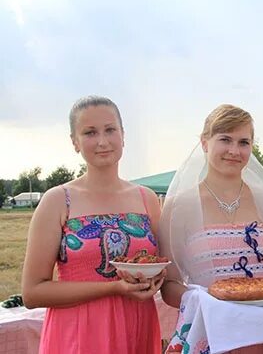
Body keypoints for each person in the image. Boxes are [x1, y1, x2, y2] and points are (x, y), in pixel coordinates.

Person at [159, 104, 263, 353]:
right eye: (225, 140)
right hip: (208, 334)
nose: (234, 150)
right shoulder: (179, 207)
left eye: (244, 142)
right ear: (205, 142)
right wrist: (205, 302)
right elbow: (169, 285)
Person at [21, 96, 164, 354]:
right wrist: (113, 287)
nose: (102, 141)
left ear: (123, 135)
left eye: (110, 130)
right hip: (78, 333)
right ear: (75, 142)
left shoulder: (147, 199)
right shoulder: (57, 200)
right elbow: (32, 292)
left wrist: (156, 280)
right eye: (90, 132)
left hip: (137, 325)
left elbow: (162, 264)